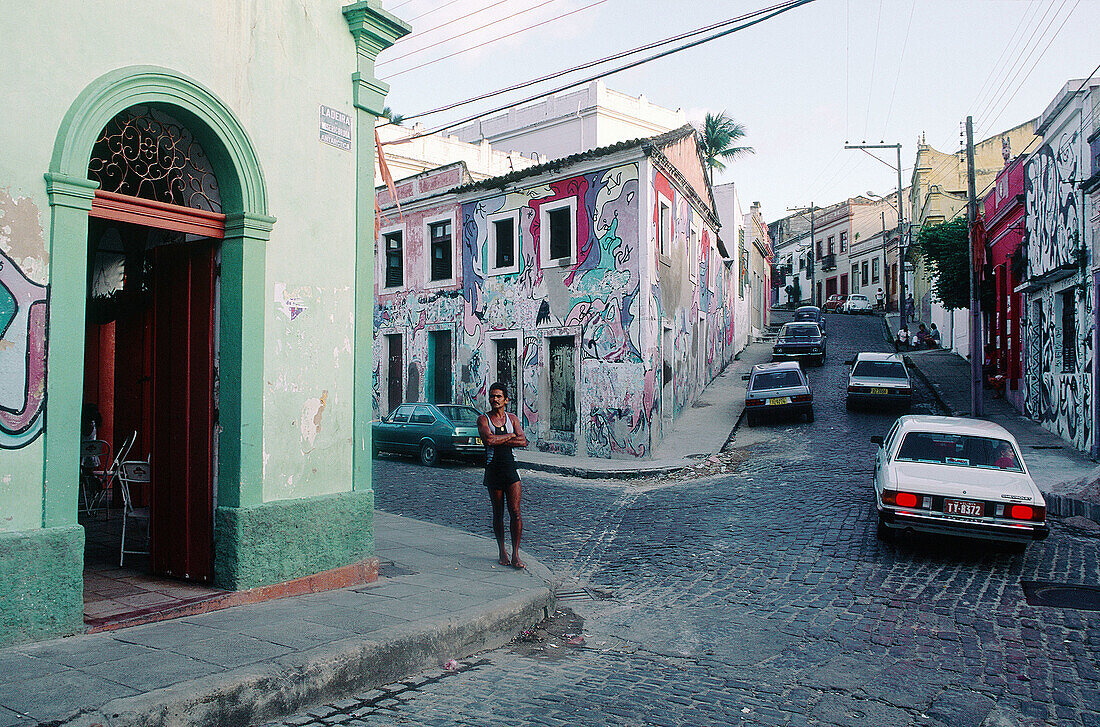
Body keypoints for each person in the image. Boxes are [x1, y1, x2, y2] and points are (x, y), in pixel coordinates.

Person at [477, 382, 529, 569]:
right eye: (492, 396)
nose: (495, 399)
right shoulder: (483, 419)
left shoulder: (512, 418)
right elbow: (489, 440)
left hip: (510, 469)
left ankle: (515, 554)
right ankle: (502, 551)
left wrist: (502, 439)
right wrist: (509, 436)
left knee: (515, 512)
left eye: (499, 396)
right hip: (493, 469)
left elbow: (523, 441)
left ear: (506, 400)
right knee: (498, 514)